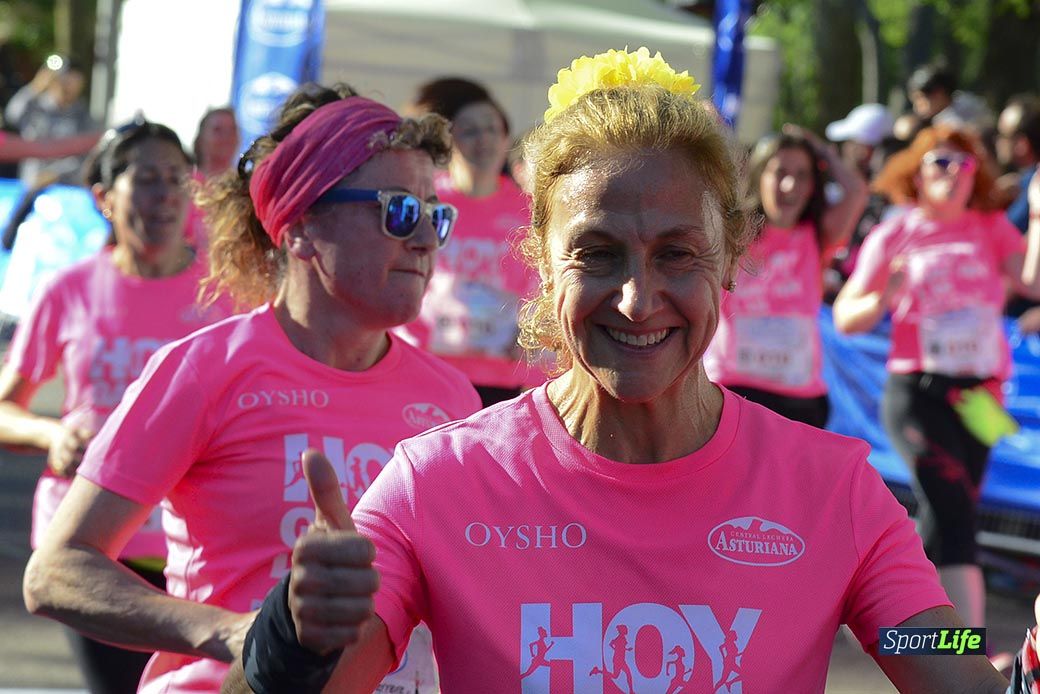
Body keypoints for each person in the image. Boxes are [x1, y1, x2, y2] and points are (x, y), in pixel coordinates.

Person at [234, 48, 1009, 693]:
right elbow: (316, 679)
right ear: (540, 259)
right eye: (597, 254)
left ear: (730, 256)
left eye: (676, 253)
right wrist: (294, 631)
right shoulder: (440, 480)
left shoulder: (831, 489)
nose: (638, 301)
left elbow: (930, 654)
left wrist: (1021, 663)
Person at [22, 83, 481, 693]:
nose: (424, 239)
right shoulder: (205, 368)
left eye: (436, 214)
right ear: (299, 228)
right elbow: (55, 571)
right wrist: (238, 633)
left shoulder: (455, 400)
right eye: (398, 209)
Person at [0, 120, 231, 692]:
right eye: (146, 179)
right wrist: (53, 437)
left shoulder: (227, 293)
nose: (164, 195)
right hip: (97, 544)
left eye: (176, 178)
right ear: (105, 198)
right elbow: (5, 409)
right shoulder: (69, 290)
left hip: (201, 545)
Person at [833, 125, 1040, 640]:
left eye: (963, 164)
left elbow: (1032, 282)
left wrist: (1036, 212)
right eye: (939, 163)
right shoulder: (896, 233)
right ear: (917, 174)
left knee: (951, 510)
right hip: (917, 393)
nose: (952, 174)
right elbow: (844, 317)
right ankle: (967, 649)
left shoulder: (991, 228)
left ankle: (903, 627)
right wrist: (886, 295)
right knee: (952, 510)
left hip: (980, 398)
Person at [703, 126, 867, 427]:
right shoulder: (733, 234)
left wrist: (820, 150)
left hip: (799, 399)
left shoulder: (818, 236)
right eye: (779, 172)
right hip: (733, 390)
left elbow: (856, 192)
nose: (790, 185)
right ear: (759, 176)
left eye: (802, 175)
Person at [400, 77, 543, 405]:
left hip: (501, 373)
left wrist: (533, 337)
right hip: (430, 367)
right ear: (451, 141)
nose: (484, 140)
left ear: (506, 137)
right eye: (471, 131)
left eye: (493, 129)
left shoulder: (529, 209)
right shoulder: (426, 199)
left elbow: (547, 283)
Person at [4, 55, 96, 186]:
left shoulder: (83, 115)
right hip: (29, 183)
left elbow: (86, 155)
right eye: (64, 79)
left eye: (74, 81)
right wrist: (35, 87)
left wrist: (55, 174)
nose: (68, 86)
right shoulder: (35, 105)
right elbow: (12, 116)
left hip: (65, 188)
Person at [192, 106, 239, 181]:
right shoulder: (186, 183)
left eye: (233, 129)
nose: (227, 136)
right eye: (218, 130)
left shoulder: (247, 184)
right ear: (201, 138)